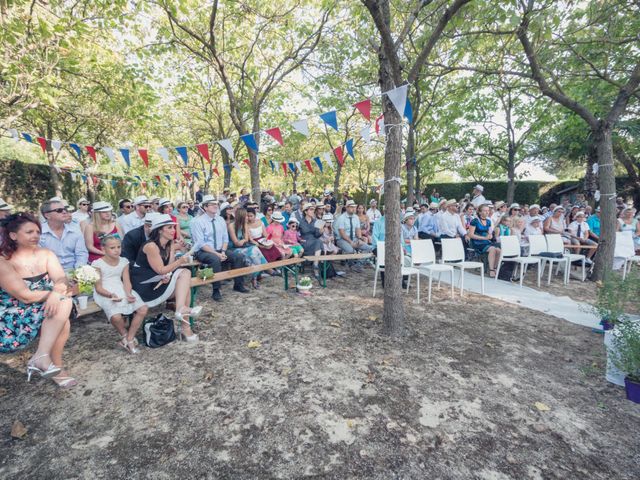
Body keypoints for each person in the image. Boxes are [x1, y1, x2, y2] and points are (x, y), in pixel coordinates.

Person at [0, 213, 75, 387]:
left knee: (62, 307)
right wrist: (55, 294)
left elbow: (61, 279)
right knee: (63, 306)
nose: (35, 236)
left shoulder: (46, 254)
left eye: (38, 232)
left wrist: (57, 291)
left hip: (44, 306)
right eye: (29, 232)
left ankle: (43, 358)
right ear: (13, 235)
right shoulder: (3, 261)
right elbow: (24, 296)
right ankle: (50, 364)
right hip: (13, 315)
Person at [130, 214, 201, 341]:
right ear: (160, 230)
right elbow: (161, 270)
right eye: (169, 228)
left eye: (173, 227)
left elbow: (168, 267)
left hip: (158, 282)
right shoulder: (151, 246)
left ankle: (185, 327)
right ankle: (181, 314)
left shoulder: (168, 244)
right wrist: (180, 262)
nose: (173, 230)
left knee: (185, 288)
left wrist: (173, 249)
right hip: (145, 288)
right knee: (185, 272)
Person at [92, 236, 148, 353]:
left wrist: (128, 293)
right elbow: (98, 287)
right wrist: (110, 295)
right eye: (112, 248)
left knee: (142, 309)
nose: (117, 250)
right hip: (105, 290)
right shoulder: (97, 264)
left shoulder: (123, 261)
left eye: (119, 247)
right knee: (116, 316)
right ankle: (124, 334)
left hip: (120, 287)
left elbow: (126, 281)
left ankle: (130, 338)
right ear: (103, 249)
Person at [191, 195, 248, 301]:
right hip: (203, 251)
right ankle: (216, 290)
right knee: (215, 259)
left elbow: (225, 239)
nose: (215, 206)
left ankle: (238, 285)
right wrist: (217, 254)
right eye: (211, 204)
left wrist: (222, 251)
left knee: (238, 257)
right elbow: (201, 244)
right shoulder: (198, 222)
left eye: (216, 204)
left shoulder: (220, 219)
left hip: (220, 249)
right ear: (205, 207)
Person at [39, 200, 88, 272]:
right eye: (59, 210)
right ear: (47, 215)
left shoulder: (75, 231)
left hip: (74, 271)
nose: (64, 212)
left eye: (65, 209)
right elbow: (39, 259)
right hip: (49, 273)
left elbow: (81, 254)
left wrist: (78, 273)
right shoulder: (38, 233)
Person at [334, 200, 373, 271]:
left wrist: (360, 239)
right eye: (351, 207)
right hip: (341, 239)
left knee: (369, 248)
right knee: (350, 250)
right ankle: (351, 265)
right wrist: (351, 242)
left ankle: (358, 265)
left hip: (354, 238)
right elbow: (342, 233)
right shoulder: (341, 218)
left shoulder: (356, 217)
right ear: (347, 208)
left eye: (354, 207)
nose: (354, 209)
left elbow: (358, 230)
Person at [468, 204, 500, 277]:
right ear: (479, 212)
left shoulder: (488, 221)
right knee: (493, 249)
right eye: (485, 210)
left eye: (488, 210)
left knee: (499, 250)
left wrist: (490, 235)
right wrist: (484, 238)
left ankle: (494, 268)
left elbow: (489, 232)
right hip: (476, 242)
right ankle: (491, 270)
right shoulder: (475, 221)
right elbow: (471, 235)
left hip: (485, 241)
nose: (487, 212)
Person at [298, 203, 325, 276]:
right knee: (318, 243)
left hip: (314, 241)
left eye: (313, 210)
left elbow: (317, 235)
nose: (313, 211)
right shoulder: (300, 222)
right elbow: (295, 233)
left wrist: (320, 232)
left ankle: (315, 264)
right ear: (305, 212)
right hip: (304, 242)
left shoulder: (315, 221)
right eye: (311, 209)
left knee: (318, 241)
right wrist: (299, 240)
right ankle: (315, 267)